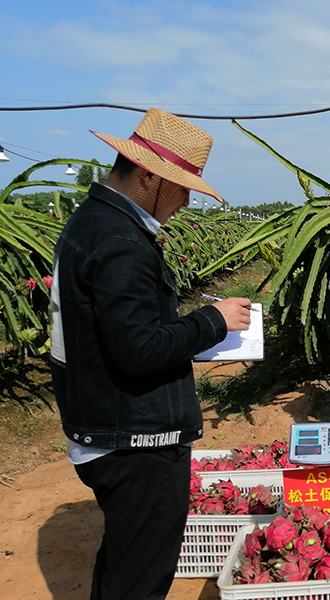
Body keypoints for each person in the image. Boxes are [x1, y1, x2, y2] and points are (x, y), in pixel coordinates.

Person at [49, 108, 252, 600]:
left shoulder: (94, 222)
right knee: (141, 576)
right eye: (181, 186)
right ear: (149, 175)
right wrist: (213, 322)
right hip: (135, 439)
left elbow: (123, 330)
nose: (185, 200)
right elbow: (139, 349)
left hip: (104, 421)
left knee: (125, 559)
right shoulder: (120, 240)